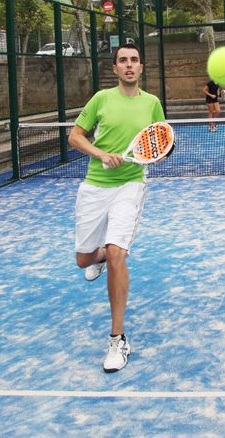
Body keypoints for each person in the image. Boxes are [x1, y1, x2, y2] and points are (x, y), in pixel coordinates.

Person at [68, 44, 166, 373]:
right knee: (84, 258)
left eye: (134, 60)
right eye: (122, 60)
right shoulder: (100, 99)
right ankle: (96, 257)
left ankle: (117, 339)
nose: (128, 65)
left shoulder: (152, 103)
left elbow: (159, 141)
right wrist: (100, 154)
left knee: (116, 252)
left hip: (131, 184)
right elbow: (75, 136)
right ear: (114, 68)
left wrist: (157, 153)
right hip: (96, 185)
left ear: (141, 68)